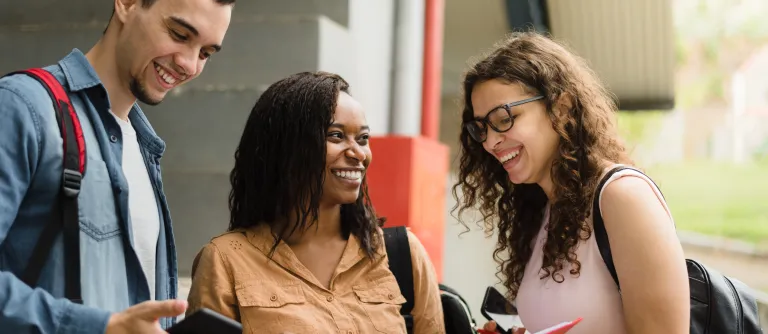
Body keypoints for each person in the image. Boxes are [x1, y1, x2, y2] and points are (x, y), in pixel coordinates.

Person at [0, 0, 234, 333]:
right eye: (180, 34)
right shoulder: (23, 107)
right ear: (127, 4)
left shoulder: (143, 147)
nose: (189, 64)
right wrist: (102, 327)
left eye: (206, 53)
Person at [453, 32, 690, 334]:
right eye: (481, 127)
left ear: (561, 107)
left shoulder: (622, 197)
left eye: (504, 118)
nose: (491, 141)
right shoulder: (541, 212)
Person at [186, 71, 445, 333]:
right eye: (336, 136)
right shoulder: (225, 260)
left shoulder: (400, 255)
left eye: (363, 138)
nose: (358, 153)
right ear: (286, 147)